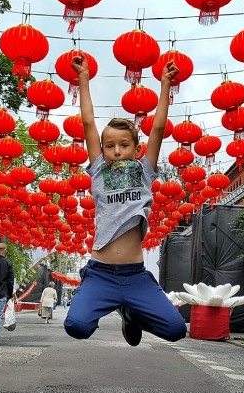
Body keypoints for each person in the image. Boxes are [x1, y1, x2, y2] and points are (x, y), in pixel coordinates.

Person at [63, 55, 186, 347]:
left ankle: (130, 312)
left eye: (124, 144)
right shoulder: (98, 171)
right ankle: (101, 297)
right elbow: (88, 122)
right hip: (101, 273)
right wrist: (83, 79)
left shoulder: (144, 171)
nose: (116, 150)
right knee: (76, 327)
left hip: (135, 275)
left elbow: (157, 128)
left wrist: (165, 84)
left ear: (136, 148)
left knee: (176, 330)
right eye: (110, 146)